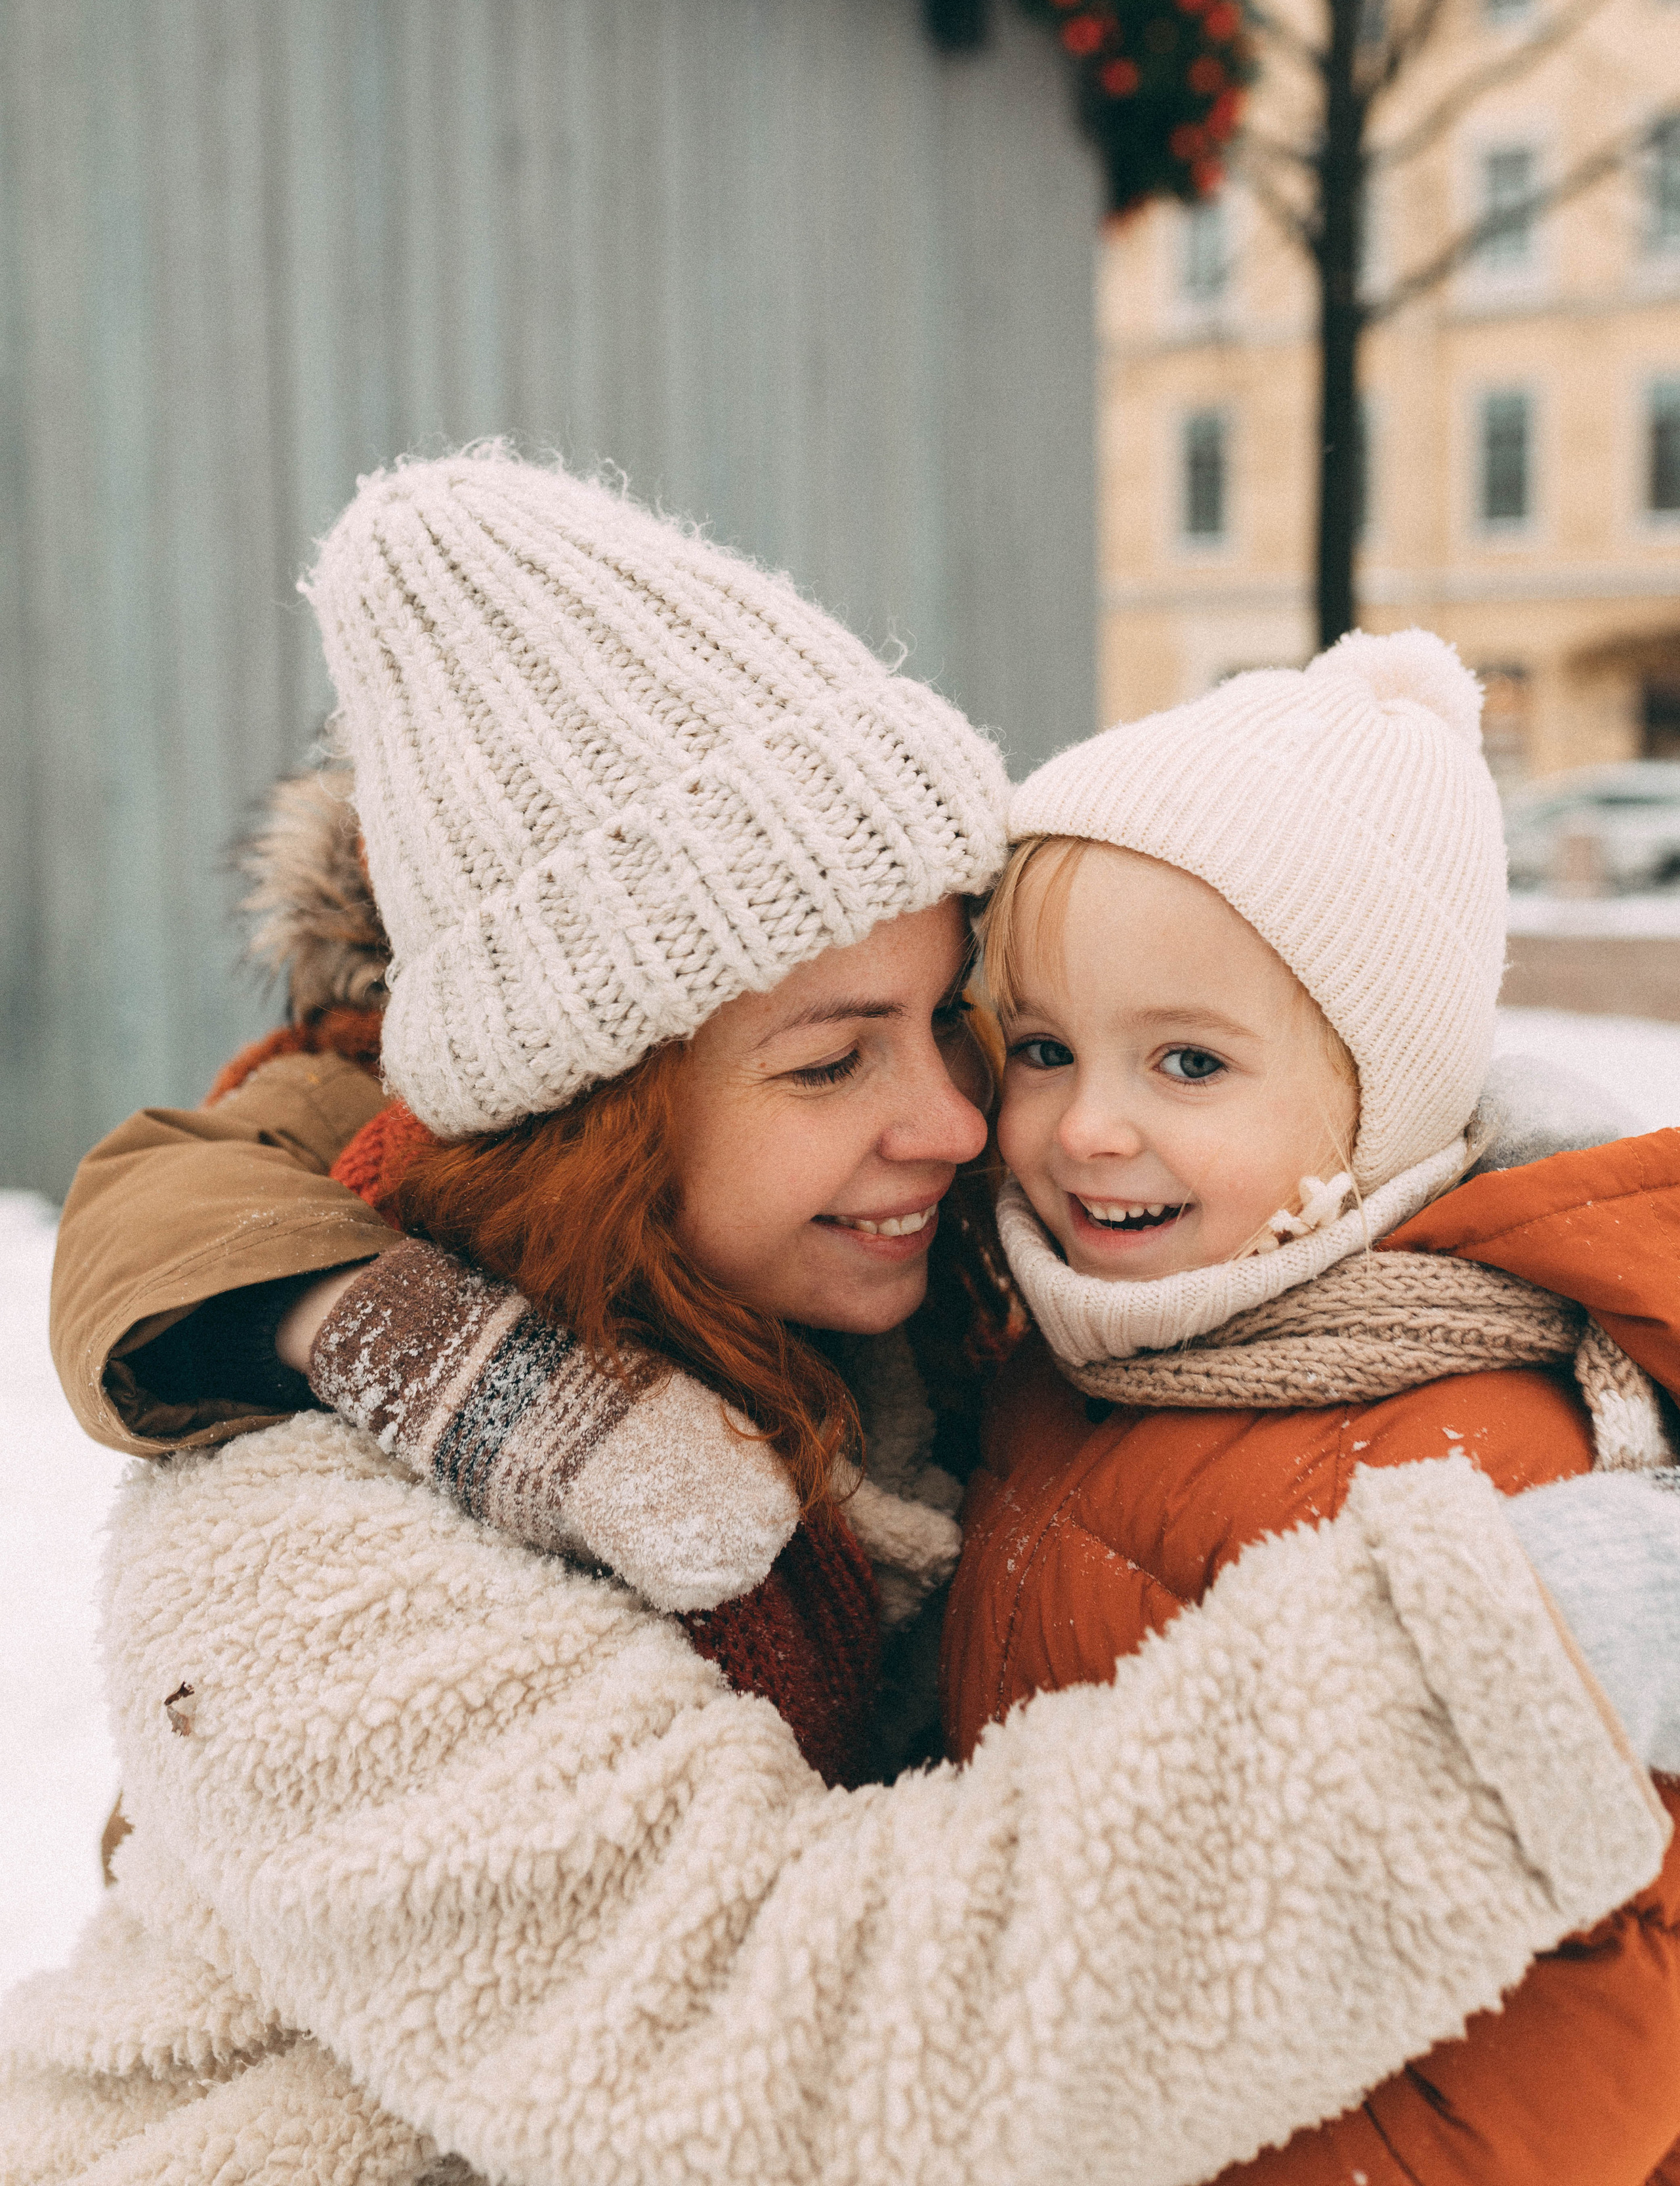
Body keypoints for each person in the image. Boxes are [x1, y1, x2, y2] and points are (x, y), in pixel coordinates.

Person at [9, 459, 1680, 2186]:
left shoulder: (874, 1338)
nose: (956, 1123)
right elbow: (802, 2055)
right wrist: (1506, 1658)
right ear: (603, 1113)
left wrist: (1450, 1192)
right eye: (832, 1059)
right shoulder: (310, 1562)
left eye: (948, 1019)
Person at [944, 626, 1680, 2186]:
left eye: (1188, 1063)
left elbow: (1578, 2035)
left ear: (1376, 1096)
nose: (1087, 1127)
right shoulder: (1059, 1349)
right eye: (1041, 1049)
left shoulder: (1468, 1454)